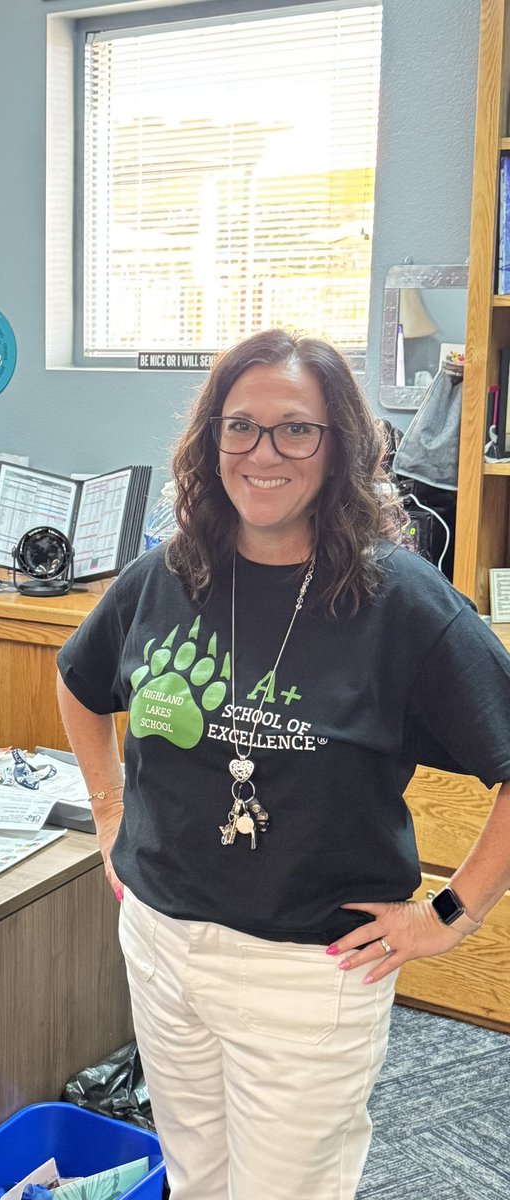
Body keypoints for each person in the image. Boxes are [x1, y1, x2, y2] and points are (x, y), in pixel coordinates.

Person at [56, 328, 510, 1200]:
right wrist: (108, 811)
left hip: (309, 974)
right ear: (210, 442)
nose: (263, 453)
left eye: (295, 429)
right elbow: (79, 680)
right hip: (161, 940)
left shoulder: (401, 602)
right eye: (240, 426)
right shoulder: (165, 578)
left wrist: (452, 914)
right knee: (194, 1179)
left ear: (339, 447)